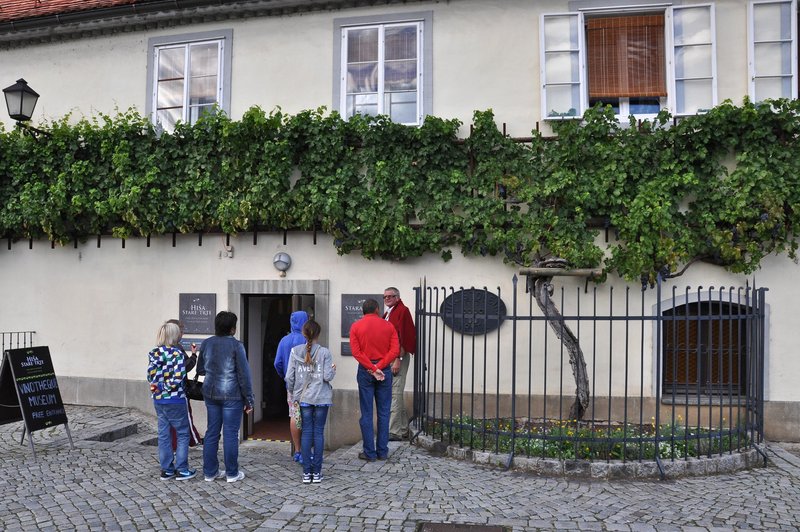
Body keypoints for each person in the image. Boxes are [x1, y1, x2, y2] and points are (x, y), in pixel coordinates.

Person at [197, 311, 255, 483]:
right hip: (232, 395)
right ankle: (231, 473)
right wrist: (249, 400)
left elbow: (200, 370)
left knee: (212, 432)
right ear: (232, 329)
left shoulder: (206, 343)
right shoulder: (237, 346)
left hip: (210, 393)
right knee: (230, 434)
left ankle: (210, 472)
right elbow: (244, 376)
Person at [285, 320, 336, 484]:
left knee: (306, 432)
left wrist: (292, 395)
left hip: (304, 398)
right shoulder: (324, 353)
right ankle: (317, 473)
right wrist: (333, 369)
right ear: (318, 334)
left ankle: (307, 473)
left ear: (304, 334)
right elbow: (327, 376)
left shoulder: (295, 352)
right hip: (321, 398)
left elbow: (289, 377)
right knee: (318, 433)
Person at [349, 298, 399, 461]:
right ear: (377, 310)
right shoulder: (389, 326)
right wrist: (380, 366)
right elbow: (394, 350)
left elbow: (356, 353)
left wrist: (372, 368)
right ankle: (382, 452)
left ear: (363, 311)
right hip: (383, 370)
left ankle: (369, 453)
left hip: (366, 370)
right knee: (384, 413)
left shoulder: (356, 326)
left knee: (367, 413)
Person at [147, 321, 197, 481]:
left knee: (163, 434)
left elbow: (150, 377)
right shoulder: (177, 354)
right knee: (182, 433)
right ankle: (182, 469)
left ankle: (167, 470)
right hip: (175, 398)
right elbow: (178, 377)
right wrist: (167, 387)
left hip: (159, 399)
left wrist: (159, 388)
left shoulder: (154, 352)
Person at [274, 310, 309, 463]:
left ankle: (298, 449)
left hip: (292, 386)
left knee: (294, 415)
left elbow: (278, 363)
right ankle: (308, 450)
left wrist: (285, 377)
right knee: (308, 416)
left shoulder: (284, 340)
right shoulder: (308, 340)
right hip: (309, 385)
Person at [383, 287, 417, 441]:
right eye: (385, 297)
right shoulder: (390, 312)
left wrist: (399, 358)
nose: (387, 299)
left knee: (394, 393)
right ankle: (403, 429)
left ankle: (394, 431)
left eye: (391, 296)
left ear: (397, 297)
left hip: (398, 357)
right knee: (395, 392)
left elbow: (404, 337)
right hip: (390, 356)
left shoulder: (402, 310)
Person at [167, 319, 203, 450]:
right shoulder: (177, 348)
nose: (182, 334)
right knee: (185, 417)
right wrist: (194, 355)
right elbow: (185, 367)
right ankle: (192, 440)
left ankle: (174, 446)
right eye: (181, 331)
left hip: (165, 392)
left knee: (169, 422)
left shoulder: (161, 349)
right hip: (179, 390)